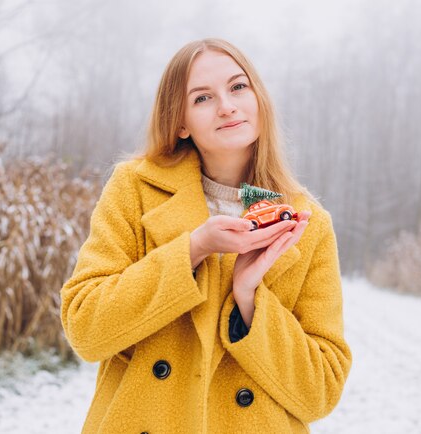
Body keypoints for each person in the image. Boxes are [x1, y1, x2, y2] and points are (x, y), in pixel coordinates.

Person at [60, 38, 352, 434]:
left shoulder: (308, 223)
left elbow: (320, 393)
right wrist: (193, 250)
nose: (227, 106)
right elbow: (85, 329)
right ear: (180, 121)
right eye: (202, 98)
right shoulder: (135, 188)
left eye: (237, 87)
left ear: (259, 100)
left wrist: (248, 299)